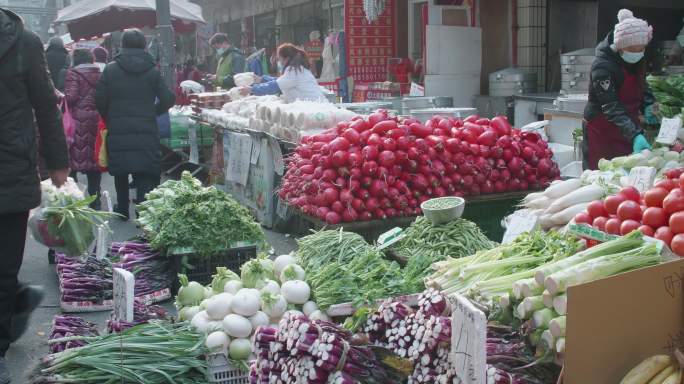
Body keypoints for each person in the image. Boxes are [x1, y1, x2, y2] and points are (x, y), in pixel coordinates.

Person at [0, 8, 70, 383]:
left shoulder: (24, 43)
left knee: (3, 266)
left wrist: (58, 163)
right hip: (13, 162)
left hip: (9, 167)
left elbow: (46, 105)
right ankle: (17, 302)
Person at [95, 28, 175, 220]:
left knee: (121, 169)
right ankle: (143, 209)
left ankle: (122, 207)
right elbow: (168, 98)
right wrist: (153, 112)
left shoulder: (111, 69)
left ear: (122, 45)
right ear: (144, 45)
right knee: (144, 167)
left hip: (118, 126)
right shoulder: (152, 71)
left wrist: (110, 116)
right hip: (146, 127)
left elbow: (99, 99)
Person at [583, 9, 655, 170]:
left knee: (625, 176)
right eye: (633, 50)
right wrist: (635, 135)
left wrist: (649, 104)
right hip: (602, 131)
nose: (638, 54)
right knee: (599, 177)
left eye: (641, 49)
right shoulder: (602, 67)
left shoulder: (636, 58)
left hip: (627, 128)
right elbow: (611, 106)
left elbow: (641, 82)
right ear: (620, 47)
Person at [64, 48, 102, 209]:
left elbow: (71, 97)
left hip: (77, 121)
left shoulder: (73, 74)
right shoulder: (99, 73)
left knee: (73, 160)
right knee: (94, 160)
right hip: (96, 119)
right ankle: (95, 199)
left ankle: (74, 200)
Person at [240, 43, 326, 103]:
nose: (279, 61)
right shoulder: (298, 70)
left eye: (279, 58)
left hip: (313, 108)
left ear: (287, 59)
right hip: (313, 106)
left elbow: (274, 86)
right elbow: (282, 81)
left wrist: (252, 89)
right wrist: (261, 79)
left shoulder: (294, 71)